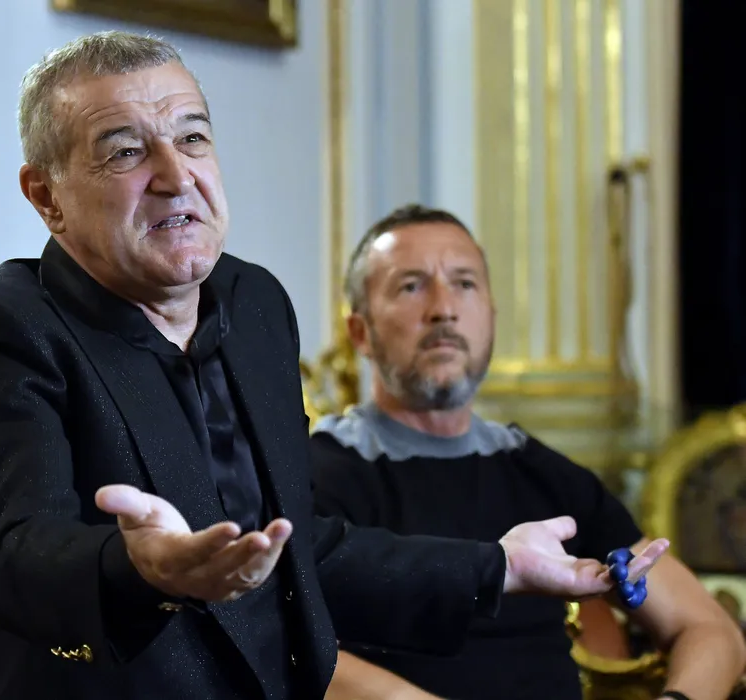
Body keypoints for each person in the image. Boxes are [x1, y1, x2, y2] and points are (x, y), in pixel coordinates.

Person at [0, 34, 667, 700]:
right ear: (47, 197)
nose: (176, 175)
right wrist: (141, 568)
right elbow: (19, 556)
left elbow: (297, 549)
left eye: (193, 137)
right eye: (125, 151)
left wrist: (495, 567)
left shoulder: (254, 303)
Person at [312, 205, 746, 700]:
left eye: (464, 284)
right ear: (360, 332)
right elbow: (286, 650)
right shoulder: (318, 473)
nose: (443, 308)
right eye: (411, 286)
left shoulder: (540, 472)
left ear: (491, 317)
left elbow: (710, 630)